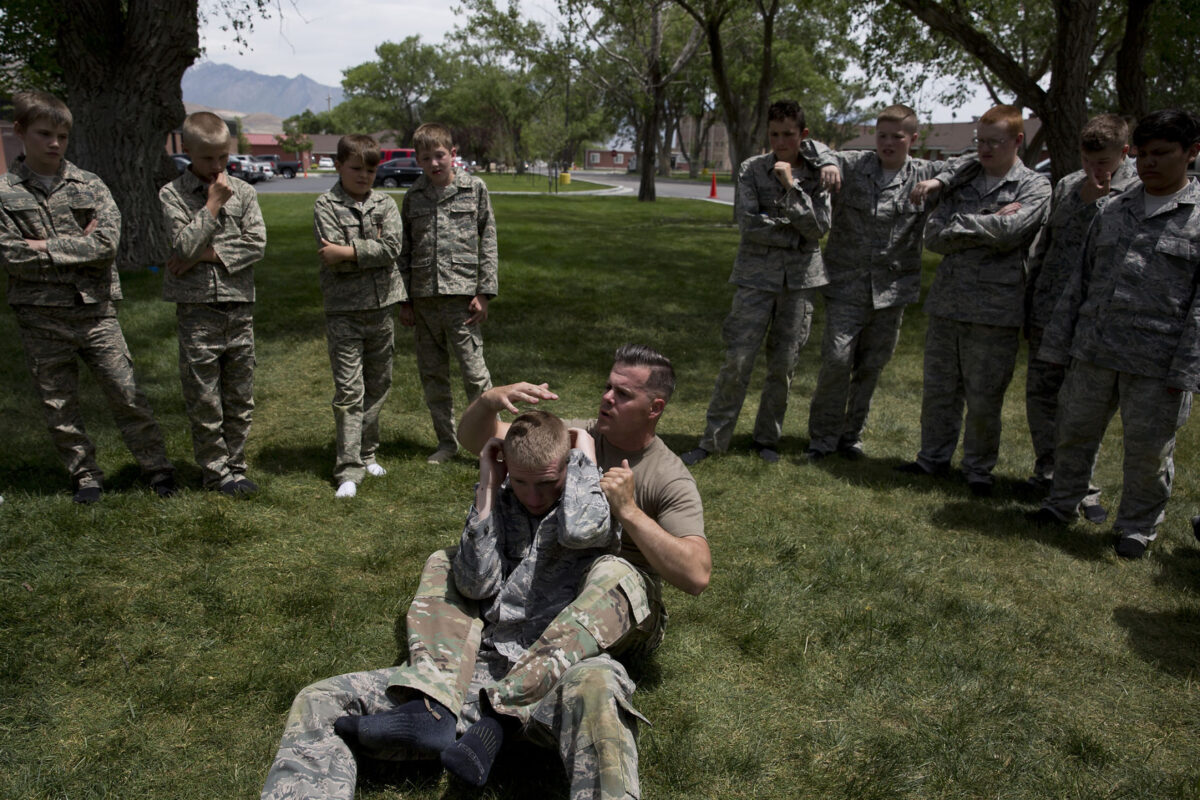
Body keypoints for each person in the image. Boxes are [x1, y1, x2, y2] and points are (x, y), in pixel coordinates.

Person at [261, 344, 710, 800]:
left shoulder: (666, 475)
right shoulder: (568, 438)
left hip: (607, 622)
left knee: (613, 579)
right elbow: (486, 441)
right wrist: (488, 403)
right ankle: (435, 705)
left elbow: (696, 575)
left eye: (623, 393)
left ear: (655, 407)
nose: (606, 398)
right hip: (517, 637)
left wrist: (629, 511)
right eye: (607, 386)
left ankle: (495, 714)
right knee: (324, 696)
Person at [1033, 110, 1200, 559]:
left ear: (1192, 153)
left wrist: (1187, 369)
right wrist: (1058, 343)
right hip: (1093, 350)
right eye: (1143, 154)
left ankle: (1137, 527)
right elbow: (1079, 283)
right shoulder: (1112, 209)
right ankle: (1060, 504)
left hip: (1156, 361)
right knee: (1072, 433)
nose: (1149, 163)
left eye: (1163, 153)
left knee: (1148, 453)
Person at [1, 90, 174, 503]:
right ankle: (85, 476)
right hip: (40, 315)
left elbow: (106, 245)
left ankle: (157, 468)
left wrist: (44, 247)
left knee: (126, 391)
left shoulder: (90, 185)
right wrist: (73, 246)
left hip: (95, 310)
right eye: (44, 133)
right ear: (21, 131)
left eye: (62, 134)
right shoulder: (5, 193)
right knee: (58, 404)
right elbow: (10, 256)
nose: (54, 143)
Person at [805, 104, 978, 461]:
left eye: (896, 137)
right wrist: (829, 163)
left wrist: (937, 181)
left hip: (891, 290)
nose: (887, 143)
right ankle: (822, 439)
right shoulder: (855, 164)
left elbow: (973, 161)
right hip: (847, 284)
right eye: (881, 135)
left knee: (871, 366)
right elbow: (813, 147)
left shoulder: (924, 172)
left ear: (913, 138)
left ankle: (851, 436)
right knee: (837, 361)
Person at [895, 104, 1051, 495]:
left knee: (984, 398)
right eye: (980, 142)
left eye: (994, 142)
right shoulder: (958, 183)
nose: (984, 150)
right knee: (939, 391)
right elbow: (932, 236)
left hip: (996, 312)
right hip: (949, 304)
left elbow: (1011, 233)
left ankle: (978, 469)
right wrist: (990, 217)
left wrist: (965, 225)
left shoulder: (1034, 186)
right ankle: (932, 459)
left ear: (1018, 141)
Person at [682, 99, 832, 465]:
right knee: (737, 360)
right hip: (755, 280)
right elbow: (749, 224)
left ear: (804, 135)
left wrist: (790, 185)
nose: (781, 142)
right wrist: (796, 232)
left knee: (783, 366)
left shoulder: (818, 174)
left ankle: (767, 439)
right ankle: (713, 439)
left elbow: (821, 227)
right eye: (775, 134)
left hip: (798, 284)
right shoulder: (751, 169)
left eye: (789, 135)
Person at [1023, 114, 1137, 521]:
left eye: (1103, 161)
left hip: (1092, 318)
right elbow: (1046, 246)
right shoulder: (1069, 185)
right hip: (1048, 309)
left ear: (1125, 153)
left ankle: (1082, 487)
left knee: (1082, 406)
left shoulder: (1137, 192)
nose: (1095, 169)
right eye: (1088, 160)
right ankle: (1048, 470)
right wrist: (1030, 300)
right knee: (1041, 395)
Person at [160, 111, 266, 495]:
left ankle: (236, 465)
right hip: (197, 312)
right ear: (186, 150)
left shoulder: (246, 192)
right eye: (207, 159)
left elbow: (256, 244)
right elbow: (182, 244)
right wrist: (212, 206)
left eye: (223, 157)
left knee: (239, 397)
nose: (217, 167)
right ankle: (215, 471)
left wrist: (200, 255)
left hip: (238, 309)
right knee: (204, 398)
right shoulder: (172, 195)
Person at [398, 122, 497, 465]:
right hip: (425, 301)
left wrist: (485, 292)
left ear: (452, 154)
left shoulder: (475, 189)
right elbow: (404, 251)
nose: (434, 163)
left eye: (439, 155)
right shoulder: (413, 197)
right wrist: (405, 301)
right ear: (418, 160)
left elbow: (489, 241)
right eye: (426, 158)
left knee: (475, 375)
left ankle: (489, 442)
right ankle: (447, 442)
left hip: (462, 301)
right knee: (433, 375)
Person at [312, 134, 405, 499]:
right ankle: (348, 468)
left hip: (382, 309)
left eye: (370, 169)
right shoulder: (326, 204)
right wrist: (369, 251)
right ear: (338, 166)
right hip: (344, 311)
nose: (364, 176)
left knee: (379, 384)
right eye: (355, 168)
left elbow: (393, 248)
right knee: (350, 390)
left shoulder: (386, 202)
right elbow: (328, 254)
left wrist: (346, 252)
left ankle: (367, 453)